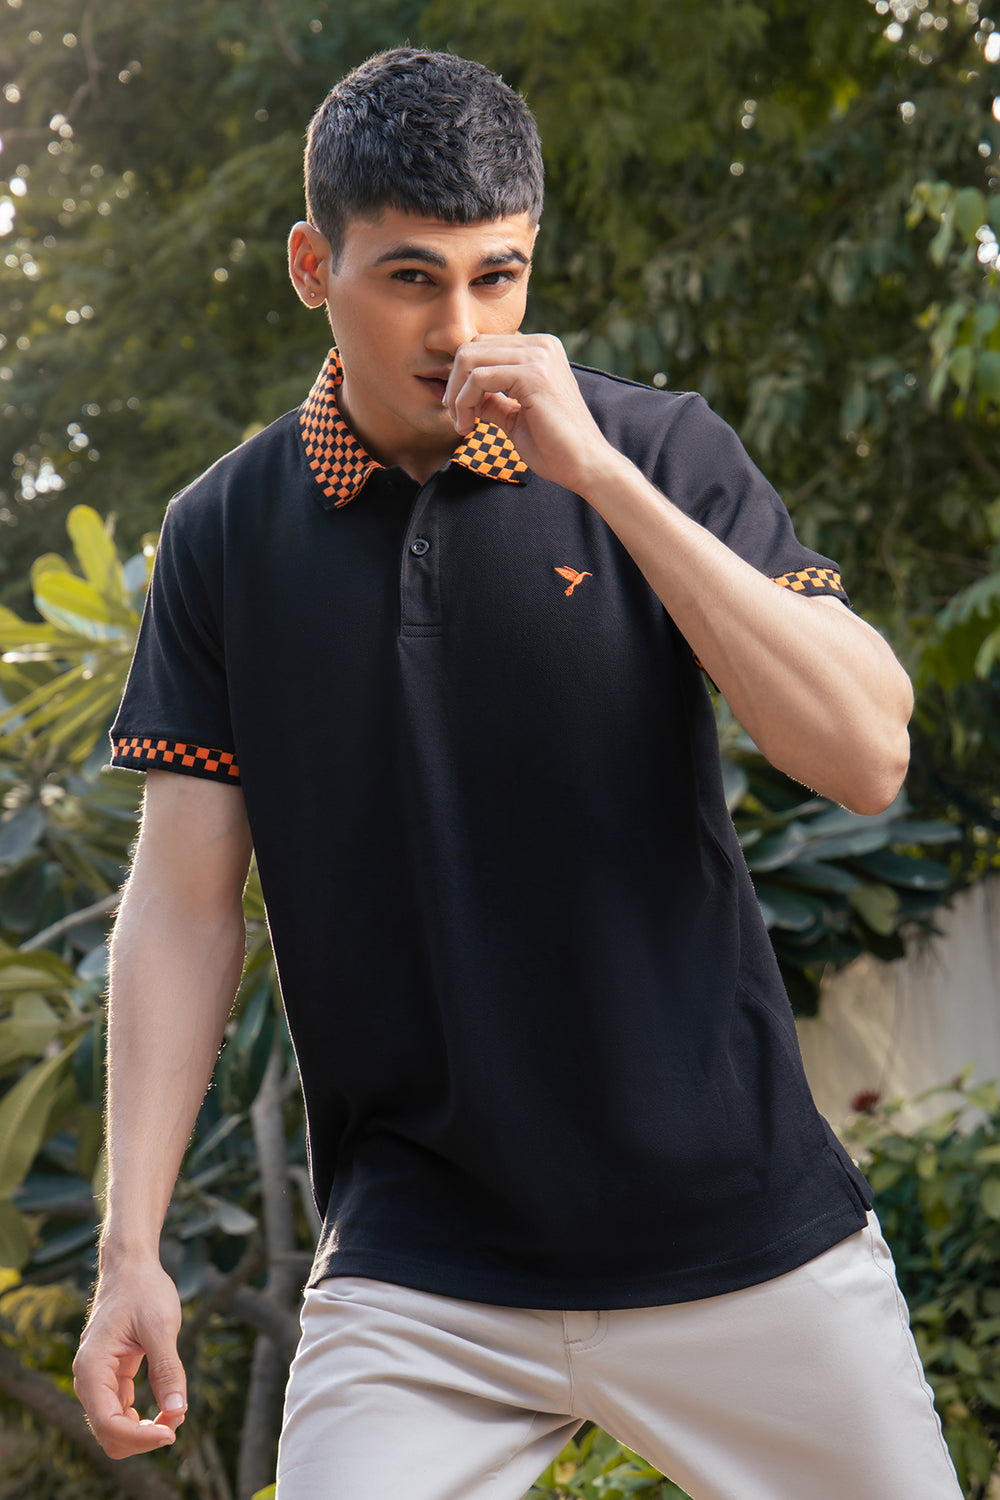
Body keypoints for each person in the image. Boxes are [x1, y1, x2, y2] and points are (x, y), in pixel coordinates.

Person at [72, 47, 962, 1500]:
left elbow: (865, 755)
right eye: (410, 279)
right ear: (313, 267)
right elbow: (180, 903)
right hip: (421, 1276)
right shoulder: (224, 534)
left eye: (499, 276)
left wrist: (602, 477)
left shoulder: (660, 447)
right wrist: (129, 1252)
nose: (461, 329)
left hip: (742, 1236)